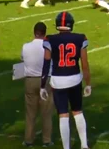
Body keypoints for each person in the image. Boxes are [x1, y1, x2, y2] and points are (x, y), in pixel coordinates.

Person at [40, 12, 92, 149]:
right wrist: (88, 84)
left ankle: (66, 147)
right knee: (78, 111)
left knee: (63, 114)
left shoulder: (49, 39)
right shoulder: (80, 38)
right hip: (75, 78)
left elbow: (46, 63)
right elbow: (85, 63)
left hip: (58, 80)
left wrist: (42, 85)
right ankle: (84, 144)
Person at [21, 22, 54, 147]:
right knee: (46, 113)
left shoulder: (26, 46)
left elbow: (22, 59)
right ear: (45, 33)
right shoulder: (49, 46)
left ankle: (28, 139)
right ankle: (46, 140)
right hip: (45, 81)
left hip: (30, 80)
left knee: (30, 113)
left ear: (34, 32)